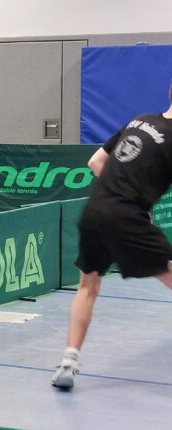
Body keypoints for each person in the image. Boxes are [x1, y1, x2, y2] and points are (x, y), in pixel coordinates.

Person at [52, 86, 172, 389]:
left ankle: (68, 362)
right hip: (127, 216)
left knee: (87, 286)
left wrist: (116, 194)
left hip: (95, 210)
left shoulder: (140, 120)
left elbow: (95, 162)